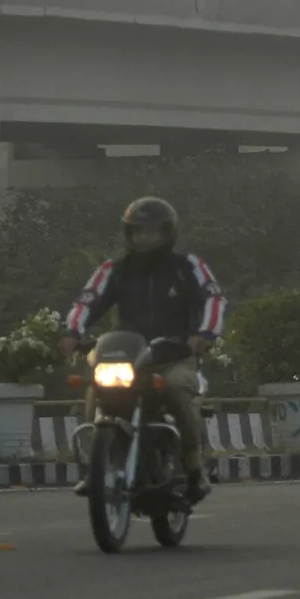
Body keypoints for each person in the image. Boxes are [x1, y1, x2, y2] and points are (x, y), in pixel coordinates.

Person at [61, 197, 225, 505]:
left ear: (167, 234)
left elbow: (213, 299)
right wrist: (73, 330)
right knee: (95, 389)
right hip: (128, 356)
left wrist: (205, 333)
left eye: (151, 232)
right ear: (128, 234)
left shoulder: (187, 265)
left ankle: (194, 468)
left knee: (177, 388)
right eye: (137, 231)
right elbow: (87, 300)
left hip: (173, 355)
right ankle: (94, 468)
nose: (143, 238)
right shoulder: (115, 269)